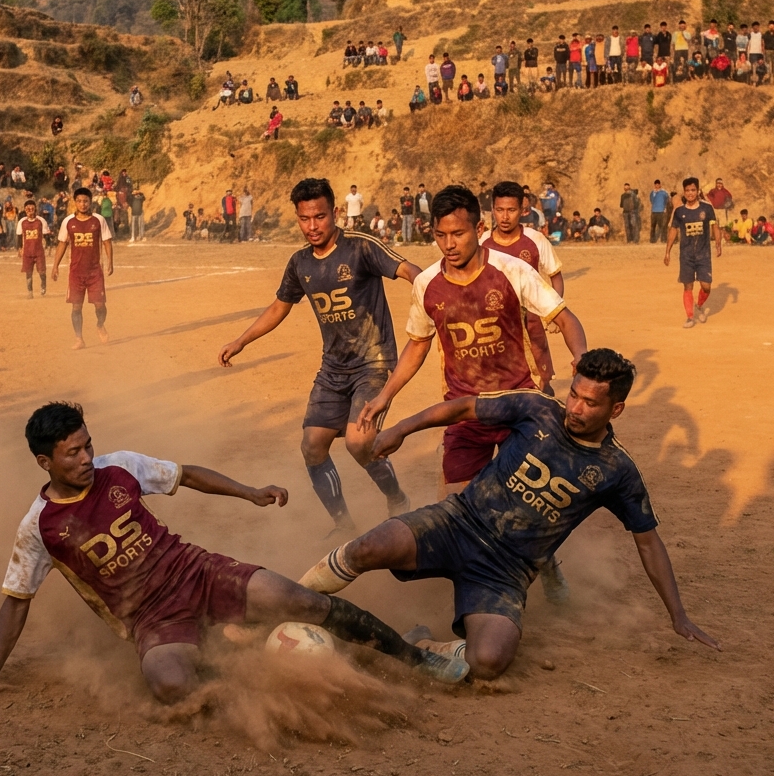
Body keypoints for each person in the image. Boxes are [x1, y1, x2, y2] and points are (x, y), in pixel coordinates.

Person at [0, 403, 468, 704]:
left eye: (87, 446)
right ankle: (245, 652)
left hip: (199, 572)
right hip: (151, 620)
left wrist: (248, 492)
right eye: (72, 453)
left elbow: (184, 474)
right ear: (45, 461)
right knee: (171, 688)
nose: (85, 459)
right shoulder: (40, 526)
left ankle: (414, 655)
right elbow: (16, 600)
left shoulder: (118, 467)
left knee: (302, 600)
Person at [299, 350, 719, 680]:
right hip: (455, 523)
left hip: (505, 572)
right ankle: (286, 599)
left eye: (590, 403)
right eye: (574, 394)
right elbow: (464, 407)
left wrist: (677, 614)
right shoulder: (538, 408)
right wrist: (401, 429)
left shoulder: (617, 470)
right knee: (368, 547)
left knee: (488, 662)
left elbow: (648, 541)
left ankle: (418, 646)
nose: (575, 407)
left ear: (617, 409)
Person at [354, 185, 586, 569]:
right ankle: (476, 585)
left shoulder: (513, 271)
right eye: (440, 235)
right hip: (463, 414)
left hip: (520, 410)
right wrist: (385, 396)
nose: (449, 243)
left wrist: (580, 356)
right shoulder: (426, 284)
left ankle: (548, 567)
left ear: (478, 229)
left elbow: (564, 316)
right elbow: (417, 344)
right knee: (458, 512)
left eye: (458, 233)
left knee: (527, 511)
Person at [219, 177, 422, 536]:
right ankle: (344, 525)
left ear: (335, 213)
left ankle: (397, 498)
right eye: (304, 218)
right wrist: (241, 341)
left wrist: (431, 297)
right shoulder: (300, 263)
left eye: (320, 217)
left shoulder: (360, 248)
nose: (312, 226)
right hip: (333, 368)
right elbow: (280, 306)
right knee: (312, 446)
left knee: (359, 442)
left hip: (374, 363)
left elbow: (408, 271)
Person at [480, 181, 567, 396]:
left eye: (511, 210)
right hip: (496, 327)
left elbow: (555, 276)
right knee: (499, 386)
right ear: (493, 210)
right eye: (500, 210)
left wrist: (553, 315)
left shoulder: (535, 240)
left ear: (522, 210)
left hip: (532, 323)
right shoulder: (482, 244)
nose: (505, 217)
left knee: (541, 385)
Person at [52, 187, 114, 347]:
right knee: (76, 307)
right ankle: (79, 339)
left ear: (90, 201)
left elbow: (107, 241)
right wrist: (55, 266)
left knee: (100, 305)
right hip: (76, 272)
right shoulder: (68, 222)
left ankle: (100, 325)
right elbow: (62, 244)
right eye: (79, 201)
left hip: (95, 272)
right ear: (75, 203)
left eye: (85, 201)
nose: (82, 204)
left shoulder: (99, 220)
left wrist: (110, 262)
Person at [665, 177, 721, 329]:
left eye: (693, 190)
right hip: (686, 256)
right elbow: (673, 231)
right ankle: (690, 317)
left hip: (703, 255)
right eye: (688, 190)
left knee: (706, 286)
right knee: (687, 286)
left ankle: (700, 305)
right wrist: (667, 251)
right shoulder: (679, 211)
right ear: (684, 192)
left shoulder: (707, 209)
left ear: (698, 191)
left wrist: (718, 243)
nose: (690, 193)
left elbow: (715, 226)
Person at [18, 199, 51, 297]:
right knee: (28, 273)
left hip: (39, 251)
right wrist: (20, 249)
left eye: (32, 208)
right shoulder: (22, 222)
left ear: (35, 209)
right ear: (25, 210)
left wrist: (48, 246)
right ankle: (30, 291)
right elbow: (19, 236)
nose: (30, 210)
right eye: (28, 209)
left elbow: (46, 235)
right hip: (27, 252)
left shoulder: (41, 221)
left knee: (41, 271)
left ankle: (43, 285)